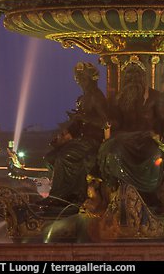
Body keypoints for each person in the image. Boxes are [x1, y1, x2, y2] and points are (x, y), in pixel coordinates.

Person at [97, 60, 164, 206]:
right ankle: (120, 191)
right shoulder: (119, 99)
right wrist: (109, 122)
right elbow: (117, 121)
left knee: (155, 156)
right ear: (124, 77)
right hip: (124, 138)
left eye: (136, 74)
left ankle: (150, 193)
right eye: (129, 74)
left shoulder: (155, 96)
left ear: (143, 77)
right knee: (113, 152)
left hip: (147, 138)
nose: (132, 78)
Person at [41, 62, 111, 209]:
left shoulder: (96, 96)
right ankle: (67, 192)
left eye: (83, 78)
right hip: (80, 140)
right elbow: (76, 125)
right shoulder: (82, 98)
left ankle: (58, 197)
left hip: (93, 140)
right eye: (78, 78)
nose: (79, 81)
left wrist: (84, 118)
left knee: (63, 157)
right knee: (50, 158)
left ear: (92, 79)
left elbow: (106, 121)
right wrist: (62, 137)